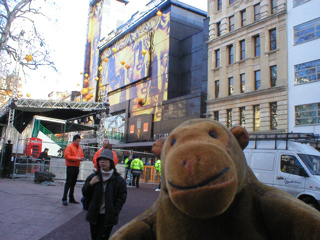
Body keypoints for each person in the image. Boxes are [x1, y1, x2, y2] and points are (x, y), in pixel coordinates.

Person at [82, 149, 127, 240]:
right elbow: (85, 193)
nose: (102, 161)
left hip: (108, 215)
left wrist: (115, 211)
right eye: (100, 159)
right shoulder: (93, 177)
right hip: (94, 214)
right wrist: (91, 184)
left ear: (111, 162)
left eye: (105, 159)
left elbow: (121, 197)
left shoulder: (119, 180)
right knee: (94, 237)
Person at [62, 134, 85, 206]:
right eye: (77, 141)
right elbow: (67, 156)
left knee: (73, 183)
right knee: (68, 183)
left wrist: (81, 158)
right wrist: (77, 158)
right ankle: (64, 198)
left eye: (79, 141)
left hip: (76, 166)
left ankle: (71, 197)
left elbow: (81, 155)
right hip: (71, 166)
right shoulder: (69, 147)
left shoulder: (79, 148)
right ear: (74, 140)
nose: (78, 142)